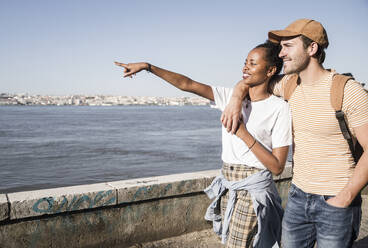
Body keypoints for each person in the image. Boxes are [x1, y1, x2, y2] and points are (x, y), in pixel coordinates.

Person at [115, 40, 292, 247]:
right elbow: (187, 84)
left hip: (253, 189)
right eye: (245, 62)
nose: (245, 67)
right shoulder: (228, 96)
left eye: (252, 63)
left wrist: (243, 133)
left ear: (271, 70)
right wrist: (148, 67)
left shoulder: (279, 108)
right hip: (228, 184)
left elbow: (278, 166)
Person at [221, 19, 368, 247]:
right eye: (281, 47)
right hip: (298, 198)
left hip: (337, 198)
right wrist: (235, 99)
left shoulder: (348, 90)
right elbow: (250, 80)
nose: (281, 54)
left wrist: (346, 196)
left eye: (288, 46)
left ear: (312, 48)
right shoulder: (288, 85)